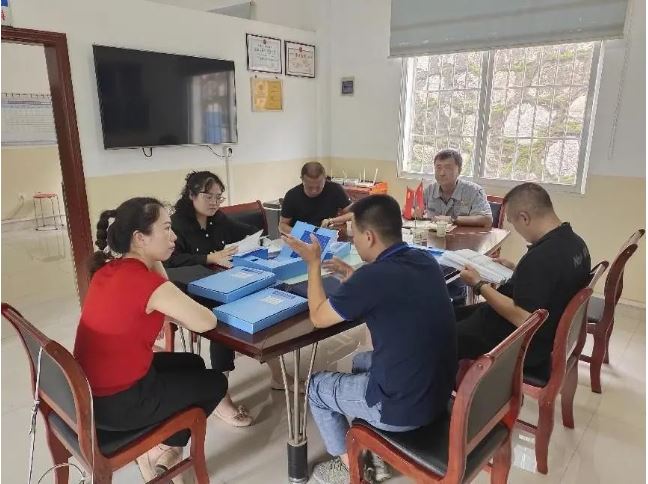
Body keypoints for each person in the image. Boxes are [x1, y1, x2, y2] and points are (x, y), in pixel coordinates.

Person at [283, 194, 457, 484]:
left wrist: (312, 264)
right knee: (361, 361)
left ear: (369, 236)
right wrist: (353, 279)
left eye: (354, 235)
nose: (353, 242)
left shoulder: (373, 277)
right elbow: (390, 295)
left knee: (315, 387)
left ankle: (350, 467)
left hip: (404, 407)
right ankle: (375, 448)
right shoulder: (423, 260)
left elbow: (318, 317)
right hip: (437, 392)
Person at [73, 197, 227, 482]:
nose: (174, 236)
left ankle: (166, 445)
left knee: (193, 363)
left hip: (93, 391)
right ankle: (163, 448)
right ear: (139, 238)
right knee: (216, 382)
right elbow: (206, 322)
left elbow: (162, 294)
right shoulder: (147, 284)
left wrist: (154, 259)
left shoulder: (107, 269)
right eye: (166, 229)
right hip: (119, 404)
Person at [164, 171, 297, 428]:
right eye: (208, 196)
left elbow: (247, 231)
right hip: (187, 288)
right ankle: (220, 397)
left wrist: (257, 241)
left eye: (219, 197)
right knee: (225, 314)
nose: (215, 203)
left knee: (262, 298)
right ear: (191, 195)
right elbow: (170, 261)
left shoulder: (217, 219)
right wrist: (208, 258)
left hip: (222, 283)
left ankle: (278, 375)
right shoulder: (177, 224)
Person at [456, 183, 591, 379]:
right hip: (546, 332)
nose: (517, 229)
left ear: (524, 218)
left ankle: (446, 391)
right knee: (451, 314)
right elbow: (550, 282)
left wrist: (478, 284)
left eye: (513, 222)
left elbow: (523, 318)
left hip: (524, 345)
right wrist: (516, 270)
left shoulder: (541, 257)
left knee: (441, 332)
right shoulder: (575, 243)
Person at [414, 149, 492, 227]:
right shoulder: (430, 190)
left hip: (463, 234)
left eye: (448, 168)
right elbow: (411, 208)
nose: (442, 173)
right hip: (434, 234)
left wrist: (452, 220)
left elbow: (487, 220)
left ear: (459, 171)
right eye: (438, 167)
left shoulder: (474, 191)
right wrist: (414, 212)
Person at [279, 162, 351, 234]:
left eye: (318, 186)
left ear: (325, 179)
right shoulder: (292, 195)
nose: (314, 191)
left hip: (326, 235)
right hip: (299, 236)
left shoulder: (335, 189)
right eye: (309, 187)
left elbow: (352, 213)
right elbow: (282, 226)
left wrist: (331, 221)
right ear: (302, 179)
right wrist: (300, 234)